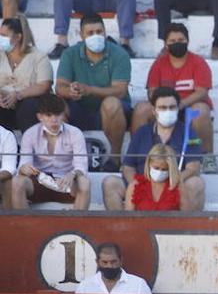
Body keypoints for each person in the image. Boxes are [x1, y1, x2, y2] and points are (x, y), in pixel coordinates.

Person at [104, 82, 206, 209]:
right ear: (154, 110)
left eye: (172, 107)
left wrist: (174, 181)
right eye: (163, 108)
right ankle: (122, 227)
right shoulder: (142, 132)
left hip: (174, 186)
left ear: (178, 108)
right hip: (143, 185)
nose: (168, 111)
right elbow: (128, 167)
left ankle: (187, 228)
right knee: (110, 183)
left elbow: (193, 168)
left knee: (196, 183)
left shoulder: (188, 133)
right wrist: (137, 184)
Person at [55, 14, 131, 171]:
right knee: (57, 104)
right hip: (80, 109)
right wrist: (71, 91)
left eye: (99, 31)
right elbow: (60, 87)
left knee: (111, 103)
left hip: (113, 113)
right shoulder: (70, 54)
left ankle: (115, 159)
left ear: (105, 32)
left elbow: (120, 91)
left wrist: (89, 90)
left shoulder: (119, 54)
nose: (95, 36)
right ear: (81, 35)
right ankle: (63, 160)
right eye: (90, 33)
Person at [11, 93, 90, 209]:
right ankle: (24, 225)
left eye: (58, 114)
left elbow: (81, 166)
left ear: (63, 115)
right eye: (48, 115)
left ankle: (77, 224)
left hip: (66, 182)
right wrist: (24, 168)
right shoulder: (30, 134)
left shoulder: (75, 133)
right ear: (40, 116)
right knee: (17, 182)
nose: (54, 120)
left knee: (84, 182)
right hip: (39, 181)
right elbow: (24, 163)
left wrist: (72, 174)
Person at [0, 18, 52, 132]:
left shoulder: (39, 57)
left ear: (18, 37)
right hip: (4, 105)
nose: (1, 39)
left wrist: (18, 95)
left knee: (29, 105)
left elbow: (44, 85)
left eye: (4, 35)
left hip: (28, 105)